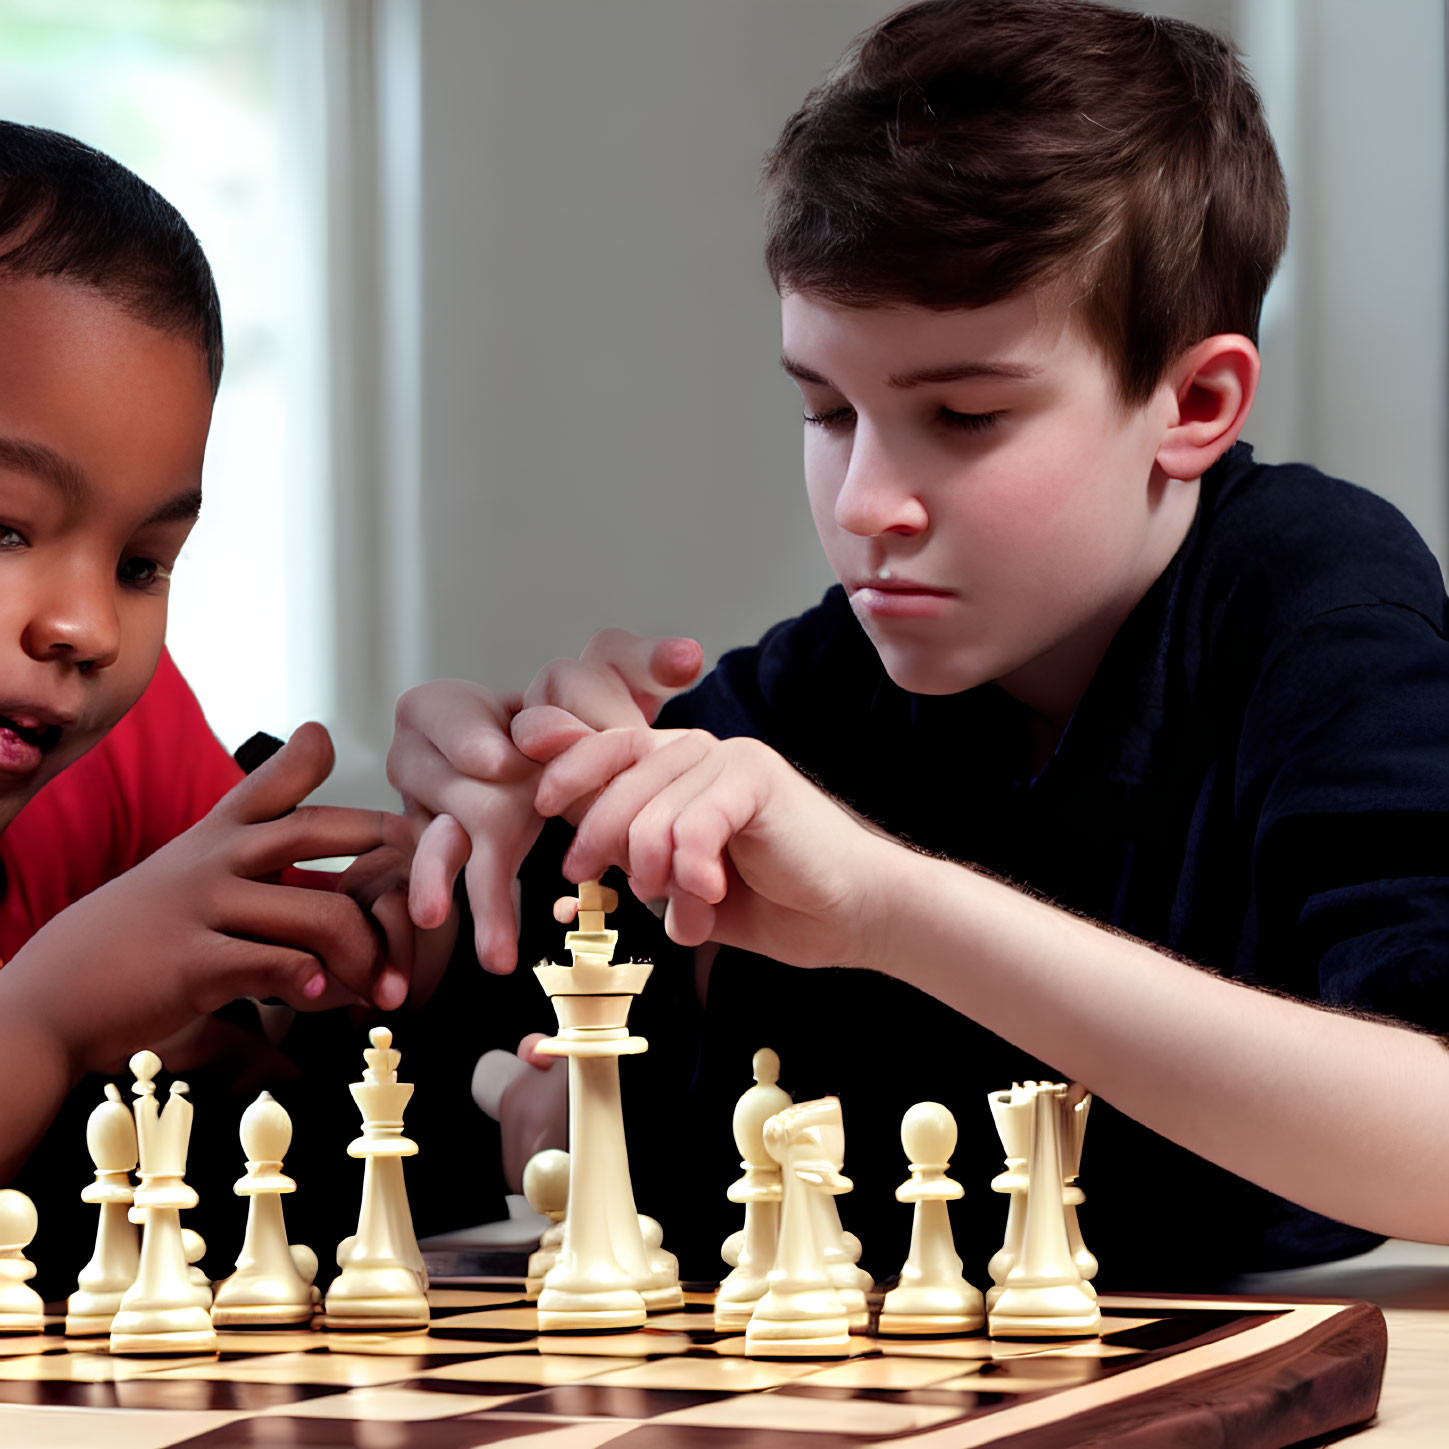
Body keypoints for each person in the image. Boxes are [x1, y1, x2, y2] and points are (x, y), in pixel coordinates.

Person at [391, 0, 1449, 1282]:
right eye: (828, 409)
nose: (862, 506)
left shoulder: (1320, 610)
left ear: (1195, 401)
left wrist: (895, 910)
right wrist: (497, 824)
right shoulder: (837, 674)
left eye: (962, 412)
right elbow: (557, 1067)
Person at [0, 122, 447, 1206]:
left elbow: (285, 994)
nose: (85, 627)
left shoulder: (114, 740)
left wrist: (402, 926)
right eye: (5, 529)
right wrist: (50, 1018)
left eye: (142, 564)